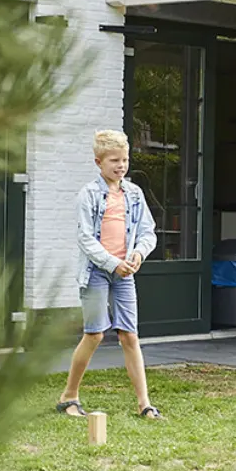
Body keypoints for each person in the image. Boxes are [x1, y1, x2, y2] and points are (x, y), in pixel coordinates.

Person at [56, 130, 163, 421]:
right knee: (94, 334)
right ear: (98, 162)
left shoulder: (134, 194)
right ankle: (69, 396)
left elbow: (146, 232)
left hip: (124, 273)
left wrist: (138, 254)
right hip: (96, 272)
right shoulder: (89, 194)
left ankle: (144, 404)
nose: (121, 165)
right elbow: (85, 239)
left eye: (125, 159)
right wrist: (112, 262)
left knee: (130, 335)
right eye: (114, 160)